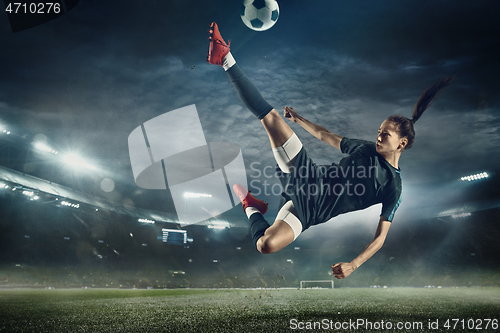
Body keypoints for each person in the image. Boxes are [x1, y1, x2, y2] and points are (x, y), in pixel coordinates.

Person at [206, 22, 454, 279]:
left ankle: (251, 205)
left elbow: (380, 238)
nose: (378, 136)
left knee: (265, 245)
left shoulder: (394, 186)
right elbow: (327, 136)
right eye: (379, 130)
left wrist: (353, 265)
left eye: (385, 134)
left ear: (401, 144)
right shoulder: (366, 148)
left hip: (310, 212)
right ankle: (225, 57)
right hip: (305, 175)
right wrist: (298, 119)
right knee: (270, 118)